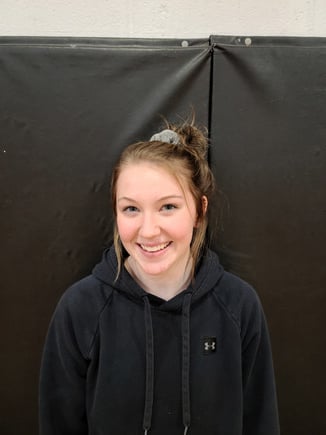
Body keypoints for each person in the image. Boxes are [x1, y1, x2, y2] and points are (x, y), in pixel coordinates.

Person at [39, 120, 280, 435]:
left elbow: (260, 422)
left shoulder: (239, 305)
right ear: (115, 212)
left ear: (199, 210)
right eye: (131, 209)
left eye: (168, 207)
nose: (149, 230)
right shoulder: (80, 309)